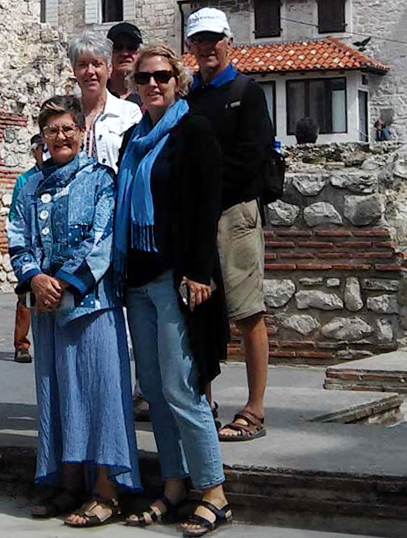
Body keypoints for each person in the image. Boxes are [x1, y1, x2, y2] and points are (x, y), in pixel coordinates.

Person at [115, 44, 234, 535]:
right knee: (155, 395)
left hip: (176, 278)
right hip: (137, 278)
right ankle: (173, 484)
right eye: (145, 78)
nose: (154, 84)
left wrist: (200, 272)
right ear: (136, 84)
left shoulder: (194, 131)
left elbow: (208, 206)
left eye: (163, 76)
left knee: (181, 388)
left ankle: (214, 491)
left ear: (178, 80)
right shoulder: (132, 139)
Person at [9, 94, 139, 527]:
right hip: (46, 310)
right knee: (59, 397)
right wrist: (36, 280)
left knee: (101, 397)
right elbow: (17, 237)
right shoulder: (27, 183)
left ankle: (106, 491)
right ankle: (67, 485)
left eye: (68, 128)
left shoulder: (101, 179)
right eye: (52, 130)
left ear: (82, 132)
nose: (60, 136)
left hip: (92, 306)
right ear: (42, 136)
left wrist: (62, 283)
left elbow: (101, 240)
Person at [184, 7, 276, 446]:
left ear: (228, 42)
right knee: (198, 312)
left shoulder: (248, 91)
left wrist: (206, 191)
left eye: (213, 39)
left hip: (236, 213)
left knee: (247, 312)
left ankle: (255, 409)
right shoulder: (191, 98)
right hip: (200, 217)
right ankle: (204, 400)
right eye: (198, 41)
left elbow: (252, 155)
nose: (206, 48)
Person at [72, 32, 142, 171]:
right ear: (74, 71)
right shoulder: (66, 113)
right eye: (82, 64)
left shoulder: (129, 113)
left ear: (109, 69)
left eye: (97, 64)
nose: (90, 71)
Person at [10, 134, 44, 364]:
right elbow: (15, 214)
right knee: (25, 294)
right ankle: (21, 344)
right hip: (32, 242)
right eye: (40, 148)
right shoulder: (25, 180)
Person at [106, 21, 144, 105]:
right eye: (118, 47)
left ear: (139, 53)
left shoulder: (148, 93)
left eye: (131, 47)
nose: (125, 53)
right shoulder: (99, 93)